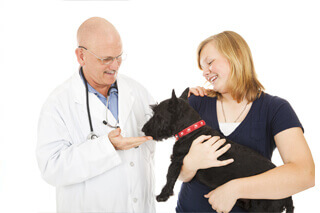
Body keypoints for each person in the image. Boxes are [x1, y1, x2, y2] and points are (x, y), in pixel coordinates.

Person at [178, 31, 315, 213]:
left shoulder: (275, 109)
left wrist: (235, 189)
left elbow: (304, 174)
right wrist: (190, 163)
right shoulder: (196, 102)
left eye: (210, 62)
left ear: (236, 56)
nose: (205, 73)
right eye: (202, 68)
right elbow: (179, 173)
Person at [36, 17, 156, 212]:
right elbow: (51, 168)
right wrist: (106, 146)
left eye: (118, 57)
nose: (115, 66)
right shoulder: (58, 103)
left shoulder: (137, 91)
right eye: (106, 59)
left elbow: (167, 128)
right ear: (81, 56)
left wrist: (190, 99)